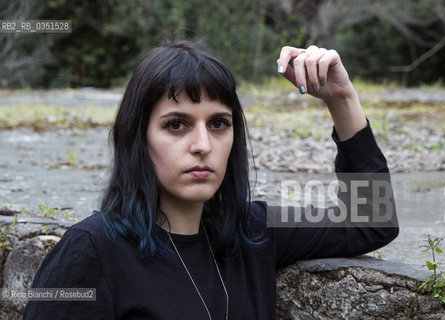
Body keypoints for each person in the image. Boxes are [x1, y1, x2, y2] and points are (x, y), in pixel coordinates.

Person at [24, 41, 398, 319]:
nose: (202, 145)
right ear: (139, 137)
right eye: (176, 125)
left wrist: (342, 99)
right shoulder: (91, 253)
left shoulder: (252, 232)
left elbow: (372, 220)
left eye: (219, 123)